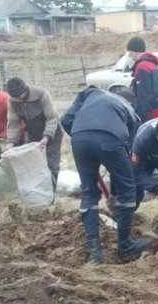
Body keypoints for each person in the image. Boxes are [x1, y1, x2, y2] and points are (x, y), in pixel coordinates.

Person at [61, 84, 150, 264]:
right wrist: (117, 194)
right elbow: (128, 155)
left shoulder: (92, 93)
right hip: (110, 139)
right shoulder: (130, 112)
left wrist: (86, 142)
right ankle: (125, 245)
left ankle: (95, 252)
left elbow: (65, 119)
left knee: (88, 193)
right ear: (131, 102)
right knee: (128, 189)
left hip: (79, 138)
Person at [4, 77, 63, 185]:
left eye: (19, 95)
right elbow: (13, 123)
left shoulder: (42, 94)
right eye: (15, 97)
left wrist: (46, 137)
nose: (18, 99)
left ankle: (51, 194)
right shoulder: (12, 101)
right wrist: (10, 142)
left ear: (25, 89)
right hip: (32, 132)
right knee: (31, 163)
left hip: (53, 133)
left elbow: (51, 118)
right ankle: (37, 191)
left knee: (51, 164)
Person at [126, 35, 158, 121]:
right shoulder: (153, 64)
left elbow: (144, 97)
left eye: (129, 53)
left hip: (151, 115)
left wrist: (141, 120)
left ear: (134, 52)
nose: (129, 56)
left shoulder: (142, 67)